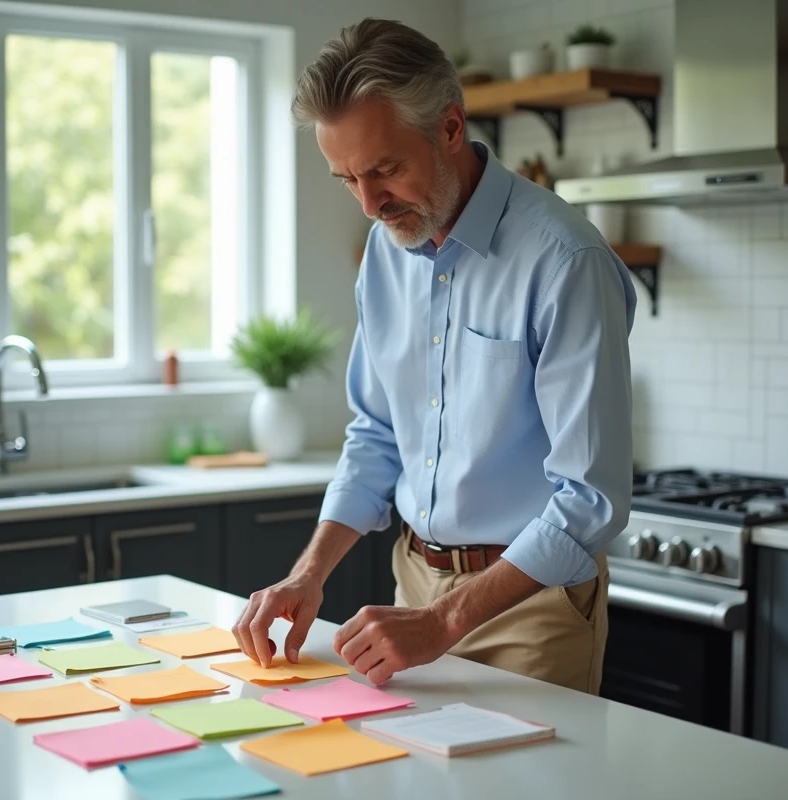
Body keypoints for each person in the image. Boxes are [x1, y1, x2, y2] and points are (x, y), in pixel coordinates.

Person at [231, 17, 636, 694]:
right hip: (413, 583)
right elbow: (376, 434)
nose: (369, 204)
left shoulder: (565, 261)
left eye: (385, 169)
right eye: (346, 179)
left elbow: (591, 498)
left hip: (530, 606)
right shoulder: (387, 256)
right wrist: (309, 573)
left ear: (450, 128)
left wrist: (445, 621)